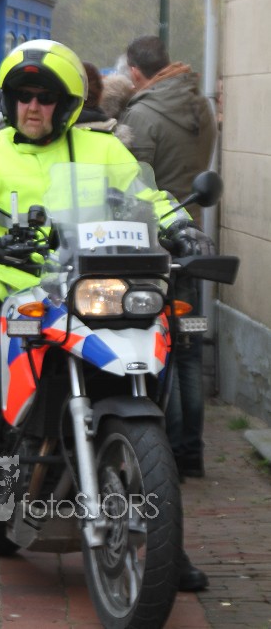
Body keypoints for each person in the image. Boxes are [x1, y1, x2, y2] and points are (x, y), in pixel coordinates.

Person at [0, 39, 213, 596]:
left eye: (44, 97)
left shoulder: (104, 150)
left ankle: (167, 547)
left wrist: (181, 227)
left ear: (66, 104)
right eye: (23, 96)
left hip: (89, 295)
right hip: (13, 298)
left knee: (153, 399)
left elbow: (150, 198)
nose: (32, 106)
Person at [120, 35, 217, 482]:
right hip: (190, 234)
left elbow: (133, 184)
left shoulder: (142, 115)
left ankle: (170, 455)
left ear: (135, 72)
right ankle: (192, 452)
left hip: (155, 240)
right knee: (189, 350)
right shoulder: (201, 106)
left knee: (161, 348)